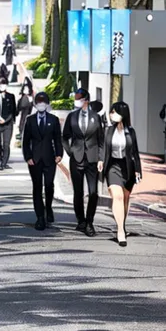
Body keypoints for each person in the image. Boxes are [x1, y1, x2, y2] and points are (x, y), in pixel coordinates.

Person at [62, 88, 105, 237]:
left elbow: (101, 140)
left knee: (93, 192)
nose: (77, 100)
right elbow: (65, 136)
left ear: (86, 99)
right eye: (76, 97)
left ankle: (90, 221)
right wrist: (70, 151)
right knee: (78, 192)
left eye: (79, 97)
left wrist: (101, 158)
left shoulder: (96, 117)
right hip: (77, 158)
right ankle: (81, 221)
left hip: (92, 160)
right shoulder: (72, 117)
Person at [102, 102, 142, 246]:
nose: (112, 114)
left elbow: (135, 153)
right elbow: (103, 148)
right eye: (111, 111)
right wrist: (101, 161)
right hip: (113, 166)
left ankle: (122, 225)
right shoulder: (108, 130)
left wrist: (138, 170)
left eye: (115, 112)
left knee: (125, 199)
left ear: (123, 114)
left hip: (127, 168)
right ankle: (120, 231)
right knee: (117, 196)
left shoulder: (131, 131)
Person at [23, 92, 63, 230]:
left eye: (43, 102)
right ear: (35, 104)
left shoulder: (54, 119)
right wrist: (28, 157)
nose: (41, 104)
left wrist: (59, 154)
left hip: (49, 158)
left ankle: (49, 207)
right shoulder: (30, 120)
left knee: (49, 185)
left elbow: (58, 139)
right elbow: (26, 141)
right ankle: (40, 217)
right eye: (38, 102)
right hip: (35, 159)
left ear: (47, 104)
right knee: (37, 187)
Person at [0, 78, 17, 170]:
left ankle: (3, 163)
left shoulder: (11, 96)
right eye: (0, 84)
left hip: (7, 124)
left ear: (6, 85)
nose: (1, 86)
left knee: (6, 144)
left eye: (3, 84)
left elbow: (13, 111)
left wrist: (5, 120)